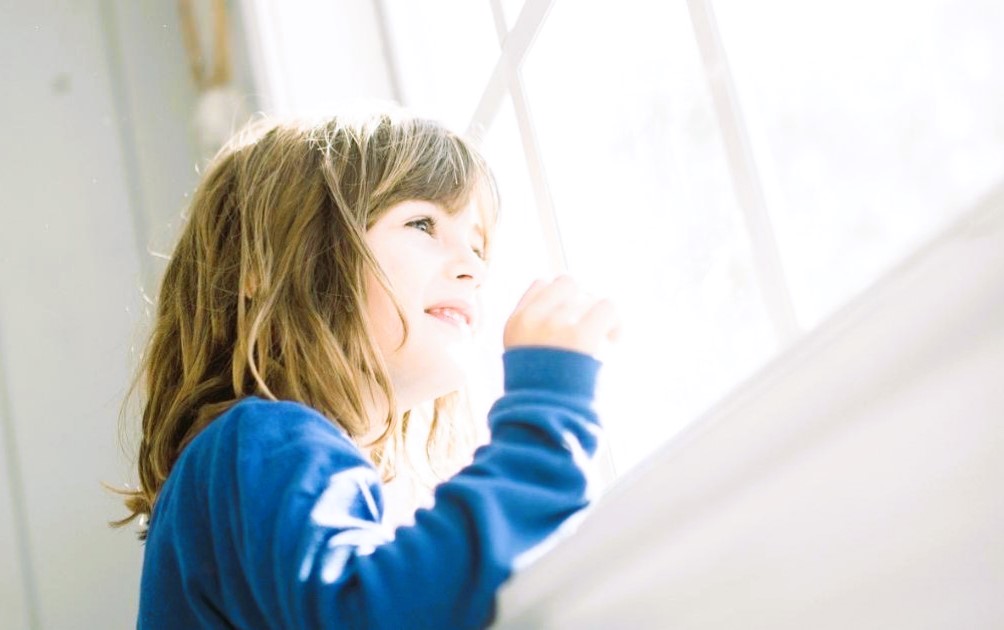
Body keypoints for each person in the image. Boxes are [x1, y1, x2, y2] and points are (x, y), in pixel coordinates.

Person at [114, 109, 619, 629]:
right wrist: (547, 410)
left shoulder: (268, 463)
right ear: (262, 269)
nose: (474, 266)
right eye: (422, 223)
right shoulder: (261, 439)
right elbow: (369, 616)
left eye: (477, 244)